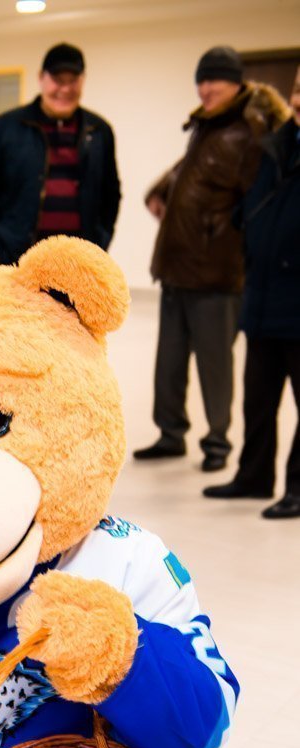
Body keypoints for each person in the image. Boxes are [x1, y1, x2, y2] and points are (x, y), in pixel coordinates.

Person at [135, 47, 289, 472]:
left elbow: (258, 201)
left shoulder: (250, 131)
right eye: (200, 80)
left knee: (214, 365)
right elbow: (190, 171)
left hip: (217, 272)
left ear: (235, 82)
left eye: (213, 80)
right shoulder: (208, 124)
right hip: (177, 266)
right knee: (169, 363)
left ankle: (217, 443)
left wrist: (224, 236)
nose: (204, 88)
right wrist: (161, 189)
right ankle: (170, 434)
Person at [204, 65, 300, 518]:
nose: (297, 101)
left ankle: (298, 488)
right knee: (258, 400)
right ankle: (254, 476)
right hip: (263, 295)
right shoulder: (276, 145)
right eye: (297, 90)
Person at [0, 43, 120, 266]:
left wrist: (100, 239)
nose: (65, 89)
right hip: (20, 260)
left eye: (73, 80)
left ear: (83, 80)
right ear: (41, 78)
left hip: (80, 263)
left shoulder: (99, 131)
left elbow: (111, 193)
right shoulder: (7, 127)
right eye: (58, 79)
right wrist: (1, 238)